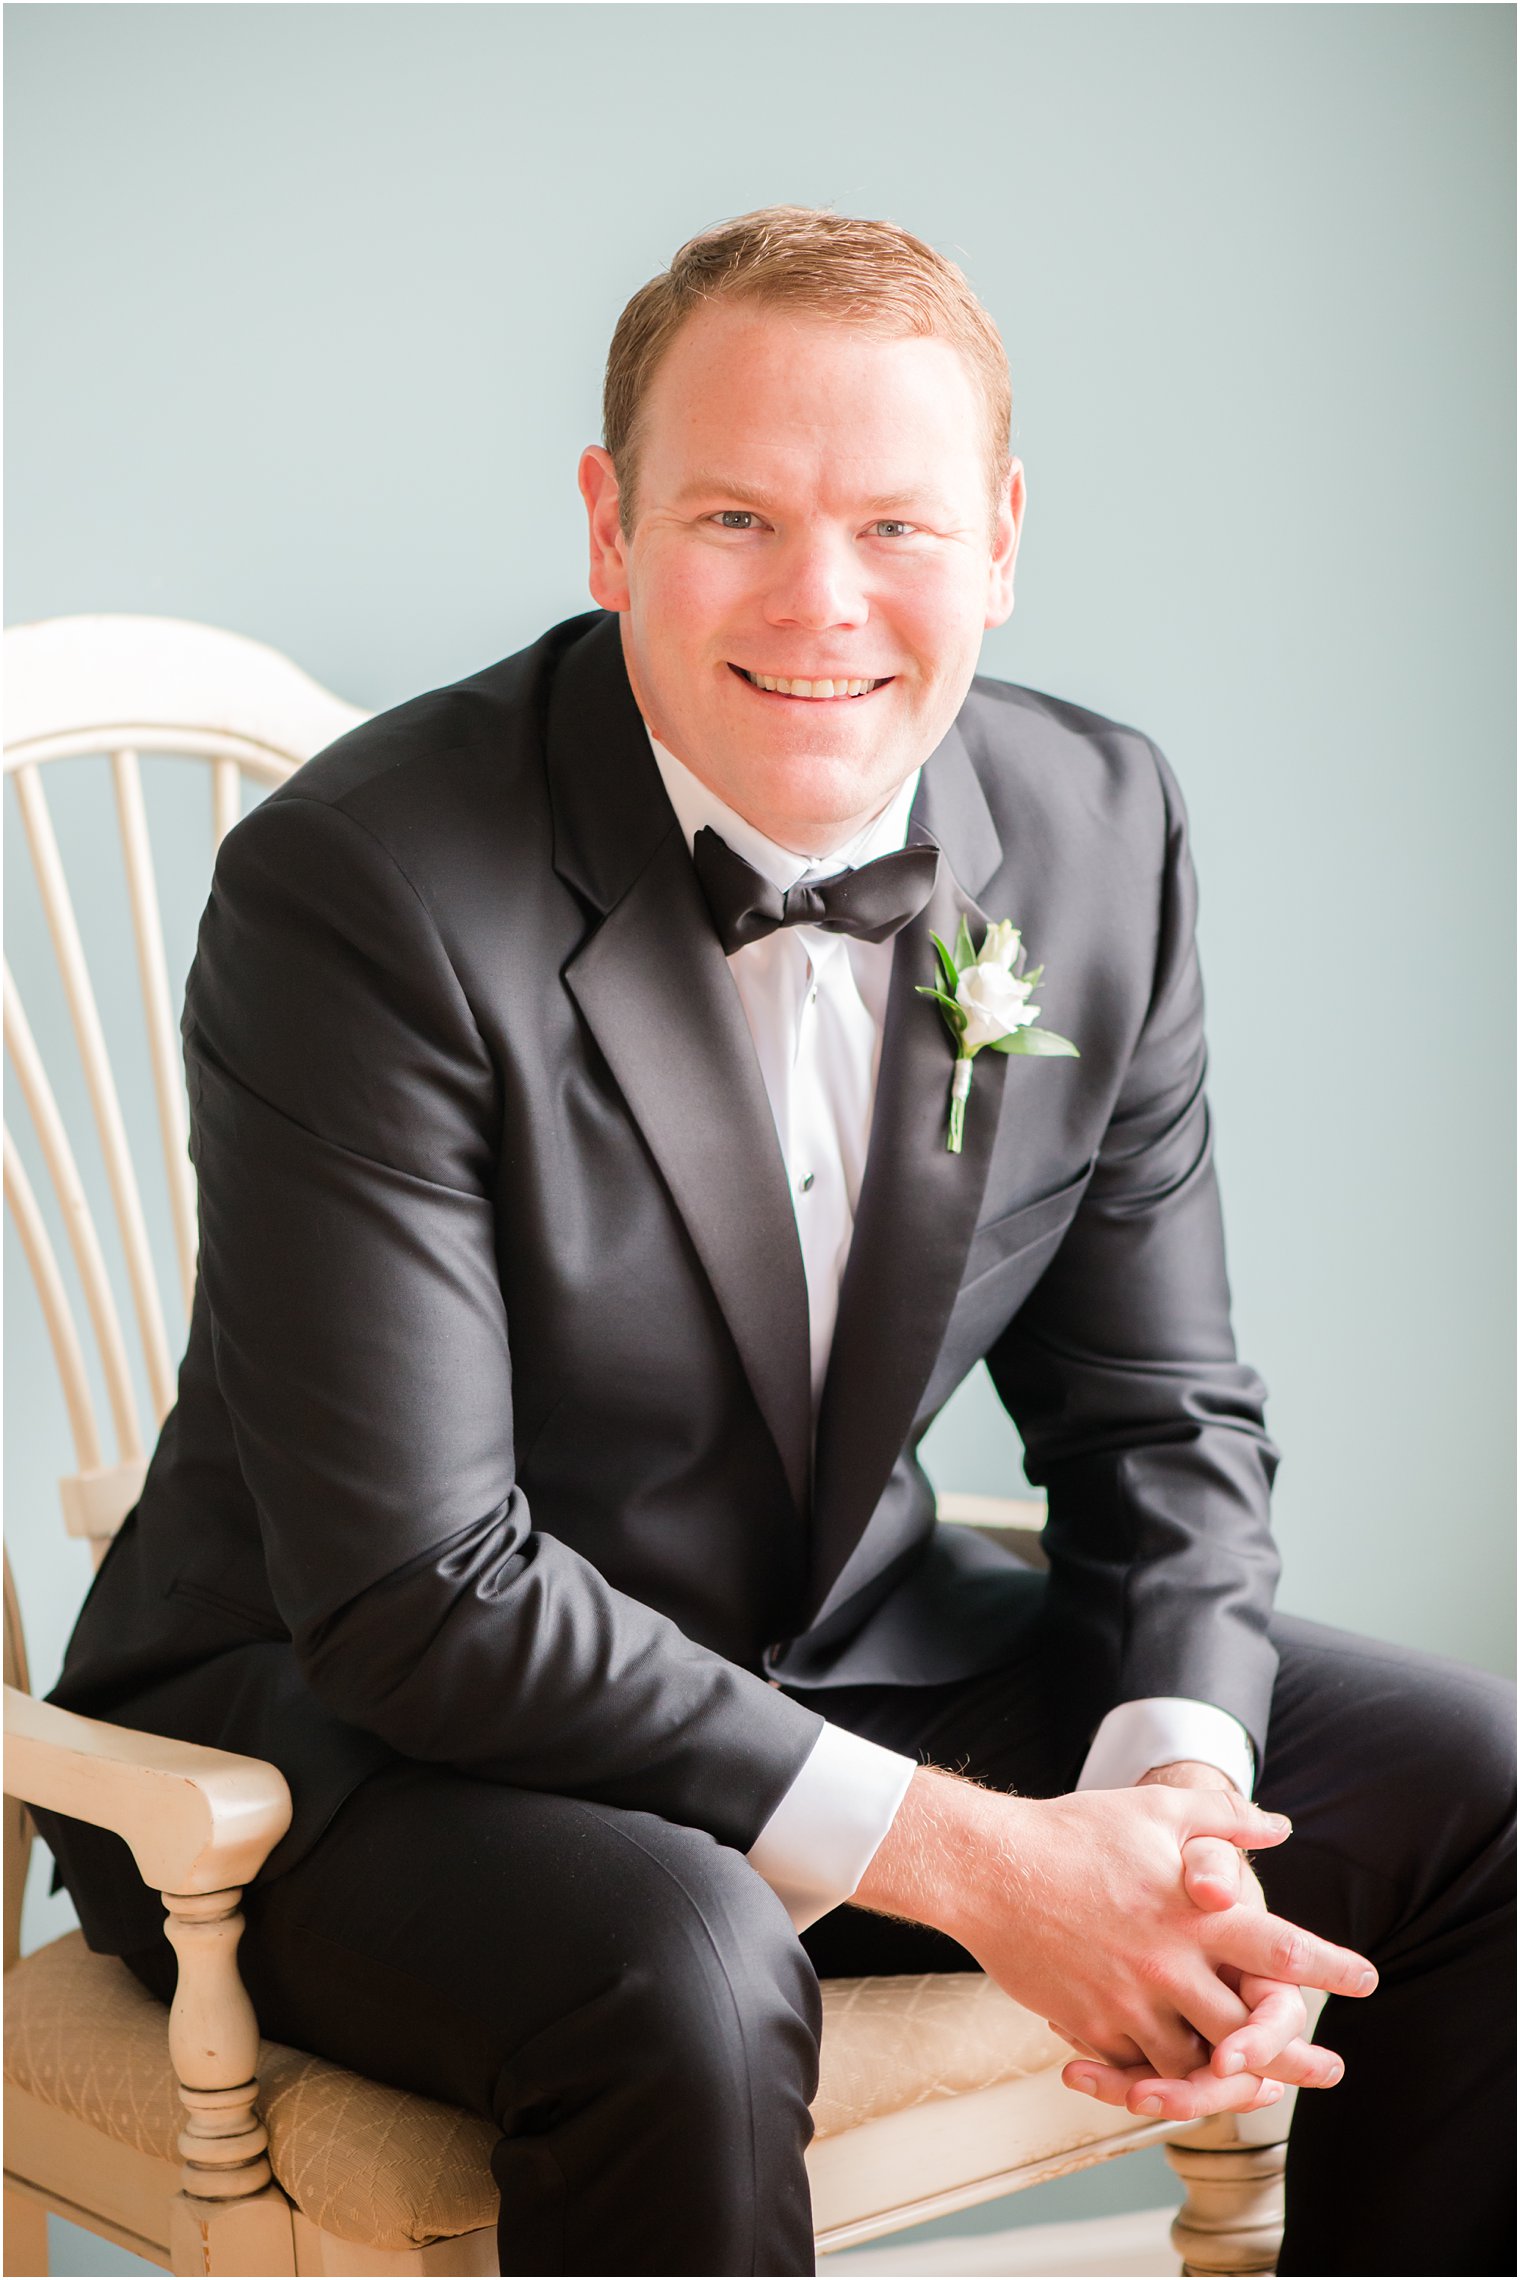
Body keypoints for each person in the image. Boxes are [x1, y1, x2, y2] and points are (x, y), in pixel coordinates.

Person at [37, 207, 1512, 2278]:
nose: (823, 604)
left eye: (896, 525)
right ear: (606, 522)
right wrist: (984, 1865)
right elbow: (414, 1593)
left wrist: (1168, 1810)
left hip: (841, 1634)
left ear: (998, 535)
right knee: (686, 1956)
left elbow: (1158, 1416)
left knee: (1468, 1782)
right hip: (344, 1723)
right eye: (734, 513)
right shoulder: (356, 889)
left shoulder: (1097, 824)